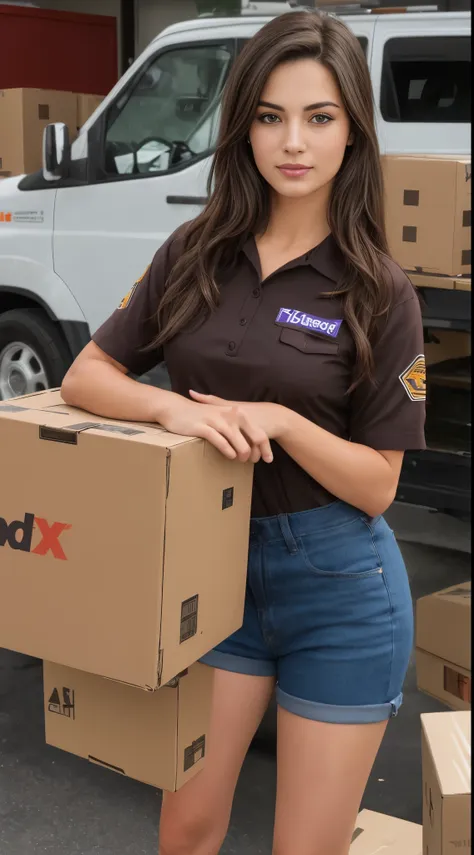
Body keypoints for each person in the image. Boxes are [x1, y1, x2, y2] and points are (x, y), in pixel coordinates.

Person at [61, 10, 426, 855]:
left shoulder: (379, 291)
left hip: (338, 589)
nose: (291, 141)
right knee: (183, 831)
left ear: (353, 133)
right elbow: (86, 374)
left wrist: (285, 421)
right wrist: (173, 408)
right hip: (209, 576)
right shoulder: (196, 251)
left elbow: (378, 484)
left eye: (319, 117)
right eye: (269, 116)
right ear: (242, 129)